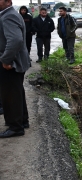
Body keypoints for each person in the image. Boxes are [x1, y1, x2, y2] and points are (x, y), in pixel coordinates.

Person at [0, 0, 30, 138]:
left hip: (12, 63)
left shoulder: (8, 16)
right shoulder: (10, 14)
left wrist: (6, 60)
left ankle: (15, 127)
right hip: (16, 61)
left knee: (10, 95)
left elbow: (15, 40)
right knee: (17, 92)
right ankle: (22, 121)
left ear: (8, 2)